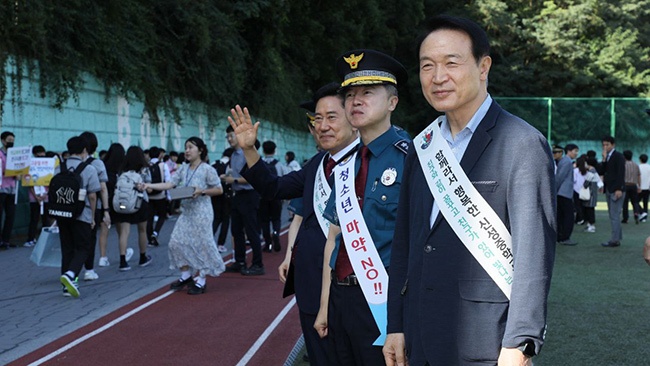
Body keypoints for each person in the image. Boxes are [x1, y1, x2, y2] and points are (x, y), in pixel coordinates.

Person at [383, 16, 556, 365]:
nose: (437, 77)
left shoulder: (521, 144)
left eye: (451, 63)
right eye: (427, 66)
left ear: (483, 66)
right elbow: (406, 242)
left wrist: (520, 342)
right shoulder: (423, 146)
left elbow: (533, 253)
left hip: (486, 341)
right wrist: (395, 324)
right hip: (419, 337)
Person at [229, 81, 360, 365]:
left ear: (355, 117)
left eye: (331, 117)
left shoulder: (371, 162)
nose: (322, 126)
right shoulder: (318, 164)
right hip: (312, 287)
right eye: (317, 119)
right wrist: (251, 150)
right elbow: (273, 188)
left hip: (356, 293)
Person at [311, 49, 410, 365]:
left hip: (384, 304)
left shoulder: (414, 160)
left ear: (392, 102)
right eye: (350, 94)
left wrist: (402, 320)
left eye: (367, 92)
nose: (355, 101)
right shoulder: (346, 166)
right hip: (343, 299)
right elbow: (335, 239)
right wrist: (326, 304)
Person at [144, 137, 225, 295]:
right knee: (175, 242)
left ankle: (201, 280)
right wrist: (149, 185)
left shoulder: (208, 169)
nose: (187, 150)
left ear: (200, 150)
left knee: (201, 244)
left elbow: (219, 189)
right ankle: (186, 275)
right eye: (185, 147)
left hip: (202, 212)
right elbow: (169, 185)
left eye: (190, 147)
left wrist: (201, 191)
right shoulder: (183, 168)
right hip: (187, 211)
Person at [58, 136, 100, 298]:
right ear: (84, 150)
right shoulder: (89, 169)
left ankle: (67, 286)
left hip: (62, 215)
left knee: (67, 249)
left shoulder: (60, 168)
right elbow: (93, 196)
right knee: (83, 248)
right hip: (82, 214)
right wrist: (93, 217)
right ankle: (71, 274)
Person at [221, 125, 265, 276]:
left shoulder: (249, 154)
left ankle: (258, 264)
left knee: (251, 231)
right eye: (227, 137)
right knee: (236, 230)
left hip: (249, 195)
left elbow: (253, 176)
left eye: (232, 136)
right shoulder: (233, 155)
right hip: (237, 196)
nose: (229, 139)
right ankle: (240, 261)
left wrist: (232, 179)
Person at [112, 146, 153, 271]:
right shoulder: (145, 169)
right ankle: (142, 257)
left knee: (124, 231)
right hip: (140, 203)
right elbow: (149, 189)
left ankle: (123, 261)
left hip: (124, 203)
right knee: (142, 230)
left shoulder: (121, 170)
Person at [80, 131, 112, 281]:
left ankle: (69, 270)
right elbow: (103, 189)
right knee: (90, 239)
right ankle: (89, 270)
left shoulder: (70, 163)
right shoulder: (97, 163)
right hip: (92, 207)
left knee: (72, 240)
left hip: (72, 207)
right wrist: (106, 210)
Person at [97, 143, 127, 267]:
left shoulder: (102, 168)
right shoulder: (119, 171)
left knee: (104, 230)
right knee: (122, 229)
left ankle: (103, 257)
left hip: (104, 205)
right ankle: (123, 252)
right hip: (118, 205)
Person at [599, 135, 626, 247]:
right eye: (604, 145)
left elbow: (620, 173)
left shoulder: (618, 156)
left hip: (616, 189)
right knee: (613, 214)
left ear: (613, 145)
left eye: (607, 145)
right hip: (609, 189)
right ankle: (617, 238)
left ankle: (614, 240)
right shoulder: (607, 156)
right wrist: (604, 159)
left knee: (614, 215)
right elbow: (602, 171)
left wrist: (619, 188)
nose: (605, 147)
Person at [259, 140, 285, 253]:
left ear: (263, 150)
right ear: (274, 151)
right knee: (276, 218)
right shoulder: (279, 165)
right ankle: (275, 232)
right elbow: (284, 179)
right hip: (276, 196)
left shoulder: (260, 164)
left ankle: (268, 243)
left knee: (264, 220)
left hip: (263, 196)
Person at [24, 145, 51, 248]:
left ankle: (46, 239)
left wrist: (46, 194)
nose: (41, 155)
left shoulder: (48, 165)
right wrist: (36, 197)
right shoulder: (30, 166)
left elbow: (50, 181)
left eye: (42, 153)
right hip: (34, 198)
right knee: (34, 219)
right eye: (38, 154)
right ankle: (31, 239)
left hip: (46, 197)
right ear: (34, 154)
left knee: (46, 219)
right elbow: (29, 183)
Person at [146, 146, 171, 247]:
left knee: (149, 218)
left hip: (148, 195)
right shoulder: (163, 165)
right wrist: (168, 195)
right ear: (159, 154)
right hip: (160, 195)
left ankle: (150, 239)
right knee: (162, 215)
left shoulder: (146, 165)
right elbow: (168, 180)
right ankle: (155, 233)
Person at [212, 148, 234, 253]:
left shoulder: (213, 164)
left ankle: (209, 240)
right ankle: (221, 244)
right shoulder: (230, 166)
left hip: (214, 194)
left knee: (216, 218)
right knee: (225, 220)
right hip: (226, 196)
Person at [556, 144, 578, 245]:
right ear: (569, 151)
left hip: (562, 192)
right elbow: (560, 177)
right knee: (568, 216)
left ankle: (560, 236)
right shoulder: (567, 162)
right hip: (564, 193)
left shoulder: (565, 161)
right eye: (575, 151)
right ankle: (565, 237)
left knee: (561, 215)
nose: (576, 153)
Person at [0, 131, 17, 249]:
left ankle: (6, 240)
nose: (11, 142)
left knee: (10, 215)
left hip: (12, 188)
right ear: (2, 140)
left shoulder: (14, 154)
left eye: (12, 140)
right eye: (9, 140)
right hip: (1, 188)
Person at [578, 156, 604, 233]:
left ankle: (591, 225)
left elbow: (586, 183)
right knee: (590, 210)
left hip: (590, 195)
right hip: (593, 194)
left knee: (589, 210)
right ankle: (590, 225)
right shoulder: (594, 171)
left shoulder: (591, 172)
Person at [622, 150, 642, 224]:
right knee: (635, 202)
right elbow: (639, 176)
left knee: (625, 202)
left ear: (624, 156)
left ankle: (625, 218)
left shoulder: (623, 165)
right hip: (633, 185)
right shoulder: (636, 165)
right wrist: (639, 186)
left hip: (625, 185)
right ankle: (636, 213)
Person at [639, 153, 650, 222]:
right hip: (647, 187)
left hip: (640, 187)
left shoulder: (638, 167)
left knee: (635, 201)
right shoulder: (649, 167)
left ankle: (642, 212)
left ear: (640, 160)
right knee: (645, 202)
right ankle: (644, 216)